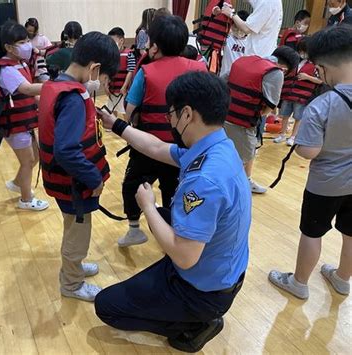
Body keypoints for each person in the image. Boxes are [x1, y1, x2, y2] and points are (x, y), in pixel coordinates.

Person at [95, 71, 251, 353]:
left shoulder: (205, 178)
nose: (169, 120)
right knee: (169, 219)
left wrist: (148, 205)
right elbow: (155, 146)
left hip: (204, 290)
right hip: (222, 270)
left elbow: (185, 256)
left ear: (187, 114)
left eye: (171, 113)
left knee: (107, 307)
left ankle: (197, 323)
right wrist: (116, 124)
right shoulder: (218, 145)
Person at [269, 25, 352, 299]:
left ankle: (299, 283)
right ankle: (342, 279)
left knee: (312, 232)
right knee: (351, 233)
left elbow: (309, 152)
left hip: (326, 185)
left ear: (322, 67)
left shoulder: (323, 105)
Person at [38, 32, 119, 302]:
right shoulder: (72, 99)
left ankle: (74, 267)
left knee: (71, 225)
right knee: (78, 233)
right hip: (75, 185)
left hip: (64, 184)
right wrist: (94, 178)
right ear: (95, 68)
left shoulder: (58, 83)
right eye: (104, 79)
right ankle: (71, 284)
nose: (102, 84)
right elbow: (66, 150)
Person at [119, 15, 208, 248]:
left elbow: (129, 112)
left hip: (147, 146)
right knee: (175, 192)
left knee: (134, 185)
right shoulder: (200, 68)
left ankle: (135, 230)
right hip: (185, 149)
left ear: (155, 44)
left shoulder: (146, 72)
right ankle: (171, 232)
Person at [0, 21, 49, 211]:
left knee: (36, 157)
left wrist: (45, 106)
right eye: (22, 41)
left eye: (27, 40)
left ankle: (17, 183)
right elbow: (27, 88)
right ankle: (25, 199)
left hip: (24, 123)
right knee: (28, 161)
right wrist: (56, 86)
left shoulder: (20, 63)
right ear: (8, 47)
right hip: (14, 126)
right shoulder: (6, 70)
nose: (27, 45)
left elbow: (32, 94)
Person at [223, 46, 300, 194]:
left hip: (222, 114)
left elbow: (223, 80)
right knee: (242, 156)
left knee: (240, 151)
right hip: (243, 120)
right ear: (285, 67)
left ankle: (246, 180)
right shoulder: (276, 72)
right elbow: (271, 105)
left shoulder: (244, 60)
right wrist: (257, 115)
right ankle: (234, 188)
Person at [274, 38, 322, 146]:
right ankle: (282, 134)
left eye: (304, 50)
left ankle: (293, 136)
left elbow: (320, 81)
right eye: (300, 50)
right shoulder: (295, 61)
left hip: (302, 96)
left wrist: (308, 77)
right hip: (288, 94)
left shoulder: (315, 65)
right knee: (284, 115)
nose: (302, 53)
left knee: (298, 117)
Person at [105, 27, 136, 118]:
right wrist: (106, 85)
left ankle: (127, 126)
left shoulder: (129, 54)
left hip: (123, 89)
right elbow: (108, 71)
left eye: (113, 41)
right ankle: (112, 125)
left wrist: (124, 86)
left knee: (124, 110)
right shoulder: (110, 55)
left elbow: (130, 71)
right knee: (111, 108)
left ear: (121, 40)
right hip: (112, 88)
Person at [219, 10, 250, 78]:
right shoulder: (226, 37)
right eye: (236, 27)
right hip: (224, 77)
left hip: (240, 78)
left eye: (241, 29)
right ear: (232, 25)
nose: (238, 31)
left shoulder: (251, 42)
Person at [25, 17, 52, 82]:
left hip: (41, 68)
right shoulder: (23, 39)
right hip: (28, 67)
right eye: (29, 31)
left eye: (32, 31)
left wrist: (39, 51)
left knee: (45, 82)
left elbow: (51, 52)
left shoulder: (42, 38)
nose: (30, 33)